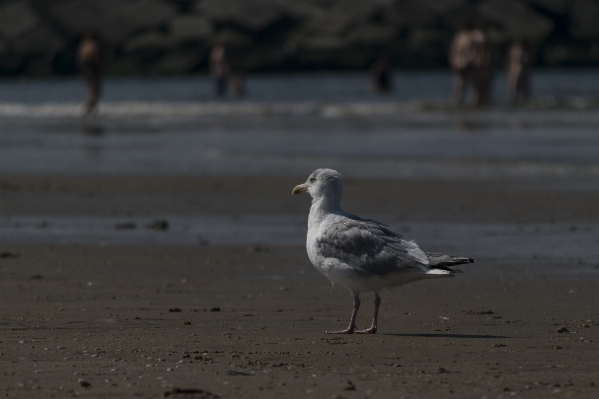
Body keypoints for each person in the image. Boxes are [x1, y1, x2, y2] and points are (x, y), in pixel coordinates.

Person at [449, 24, 492, 107]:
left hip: (460, 65)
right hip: (471, 66)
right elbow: (482, 51)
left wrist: (455, 64)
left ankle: (459, 109)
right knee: (476, 93)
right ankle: (473, 109)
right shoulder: (475, 37)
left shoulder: (459, 37)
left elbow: (453, 53)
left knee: (459, 93)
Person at [77, 30, 103, 116]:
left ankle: (92, 110)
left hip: (85, 68)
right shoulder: (93, 44)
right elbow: (95, 58)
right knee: (95, 91)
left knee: (91, 91)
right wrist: (100, 68)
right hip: (92, 67)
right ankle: (88, 110)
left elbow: (80, 59)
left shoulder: (83, 45)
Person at [507, 39, 531, 106]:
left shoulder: (524, 52)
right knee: (513, 95)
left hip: (522, 73)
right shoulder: (514, 51)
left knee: (526, 95)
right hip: (515, 73)